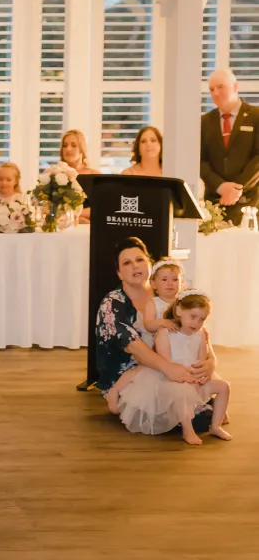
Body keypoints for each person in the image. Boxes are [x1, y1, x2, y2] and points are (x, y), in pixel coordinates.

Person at [94, 238, 217, 430]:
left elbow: (198, 328)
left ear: (150, 264)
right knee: (179, 414)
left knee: (201, 395)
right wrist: (169, 368)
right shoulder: (113, 303)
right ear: (119, 273)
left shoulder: (169, 292)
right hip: (135, 371)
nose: (135, 266)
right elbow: (134, 346)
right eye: (127, 263)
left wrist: (211, 361)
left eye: (140, 260)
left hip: (173, 361)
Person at [117, 290, 232, 445]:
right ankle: (187, 429)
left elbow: (201, 359)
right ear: (178, 311)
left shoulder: (201, 334)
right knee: (182, 391)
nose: (196, 323)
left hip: (192, 376)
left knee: (224, 386)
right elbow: (167, 364)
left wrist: (199, 374)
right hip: (169, 378)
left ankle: (215, 426)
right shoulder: (166, 333)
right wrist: (186, 377)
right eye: (193, 317)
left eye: (201, 319)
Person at [201, 68, 259, 226]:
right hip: (214, 204)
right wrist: (220, 186)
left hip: (249, 204)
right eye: (212, 89)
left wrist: (236, 188)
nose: (215, 93)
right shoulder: (205, 122)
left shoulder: (255, 116)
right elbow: (200, 161)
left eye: (220, 87)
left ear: (235, 87)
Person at [59, 129, 99, 223]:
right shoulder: (53, 175)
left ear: (82, 149)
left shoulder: (94, 175)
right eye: (65, 146)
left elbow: (101, 209)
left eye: (74, 145)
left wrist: (74, 214)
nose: (68, 149)